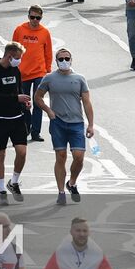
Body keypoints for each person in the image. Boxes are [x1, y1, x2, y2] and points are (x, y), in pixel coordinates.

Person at [34, 49, 95, 205]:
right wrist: (48, 111)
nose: (64, 61)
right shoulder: (49, 78)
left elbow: (87, 102)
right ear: (56, 61)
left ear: (71, 60)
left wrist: (91, 125)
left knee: (79, 157)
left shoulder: (79, 79)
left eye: (67, 58)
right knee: (60, 156)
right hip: (58, 123)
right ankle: (61, 192)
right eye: (61, 59)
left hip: (76, 123)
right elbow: (38, 97)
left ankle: (72, 183)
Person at [0, 43, 30, 206]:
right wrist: (14, 98)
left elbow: (18, 89)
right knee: (0, 154)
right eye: (18, 58)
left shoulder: (15, 70)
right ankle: (2, 189)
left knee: (22, 151)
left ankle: (14, 182)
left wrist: (23, 101)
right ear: (9, 55)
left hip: (16, 117)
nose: (19, 61)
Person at [11, 6, 53, 143]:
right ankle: (26, 126)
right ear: (28, 16)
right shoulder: (20, 29)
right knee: (24, 103)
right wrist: (12, 65)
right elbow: (13, 49)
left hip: (39, 72)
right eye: (32, 17)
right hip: (22, 72)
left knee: (38, 102)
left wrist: (48, 69)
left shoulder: (44, 32)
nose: (35, 20)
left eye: (38, 18)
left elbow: (48, 52)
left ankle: (36, 132)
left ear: (41, 18)